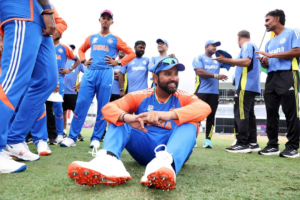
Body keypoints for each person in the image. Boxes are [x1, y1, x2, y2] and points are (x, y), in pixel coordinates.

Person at [66, 57, 211, 190]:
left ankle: (165, 166)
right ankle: (109, 161)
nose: (173, 78)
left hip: (173, 150)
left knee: (191, 123)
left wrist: (168, 115)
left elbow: (205, 108)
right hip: (145, 146)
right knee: (119, 119)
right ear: (155, 78)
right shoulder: (141, 95)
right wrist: (128, 117)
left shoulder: (184, 96)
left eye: (175, 74)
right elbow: (108, 108)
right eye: (167, 74)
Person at [60, 10, 136, 148]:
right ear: (99, 20)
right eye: (103, 18)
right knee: (81, 104)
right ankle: (72, 137)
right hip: (90, 73)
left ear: (112, 22)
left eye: (108, 19)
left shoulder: (115, 39)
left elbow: (132, 53)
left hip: (106, 73)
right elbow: (81, 50)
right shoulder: (92, 37)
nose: (105, 20)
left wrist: (118, 62)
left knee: (102, 106)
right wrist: (83, 61)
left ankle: (95, 138)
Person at [0, 1, 58, 173]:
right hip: (21, 12)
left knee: (47, 80)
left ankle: (15, 138)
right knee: (13, 80)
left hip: (38, 20)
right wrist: (48, 10)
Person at [256, 9, 300, 158]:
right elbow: (267, 64)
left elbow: (298, 51)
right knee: (271, 112)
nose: (265, 23)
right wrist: (266, 62)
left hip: (288, 74)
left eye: (267, 20)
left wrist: (272, 55)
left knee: (291, 111)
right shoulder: (269, 42)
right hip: (271, 77)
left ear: (277, 18)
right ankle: (272, 145)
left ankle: (293, 146)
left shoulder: (292, 32)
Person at [213, 30, 261, 153]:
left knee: (241, 114)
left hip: (245, 86)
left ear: (239, 38)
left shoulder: (246, 45)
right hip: (251, 86)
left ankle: (242, 143)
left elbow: (246, 61)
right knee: (249, 115)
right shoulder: (254, 46)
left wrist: (227, 60)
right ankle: (252, 142)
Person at [192, 40, 228, 148]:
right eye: (213, 45)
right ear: (206, 46)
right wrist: (216, 76)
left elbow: (231, 63)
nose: (215, 47)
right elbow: (199, 72)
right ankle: (192, 139)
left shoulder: (218, 60)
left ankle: (208, 140)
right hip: (200, 92)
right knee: (195, 117)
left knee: (211, 117)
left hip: (214, 93)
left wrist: (225, 58)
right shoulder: (199, 58)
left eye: (216, 46)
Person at [62, 44, 85, 141]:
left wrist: (80, 83)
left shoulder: (77, 62)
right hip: (61, 91)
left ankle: (77, 132)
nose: (69, 51)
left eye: (71, 50)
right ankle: (63, 131)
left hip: (73, 92)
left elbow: (87, 73)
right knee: (62, 112)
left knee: (75, 112)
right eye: (68, 49)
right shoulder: (62, 60)